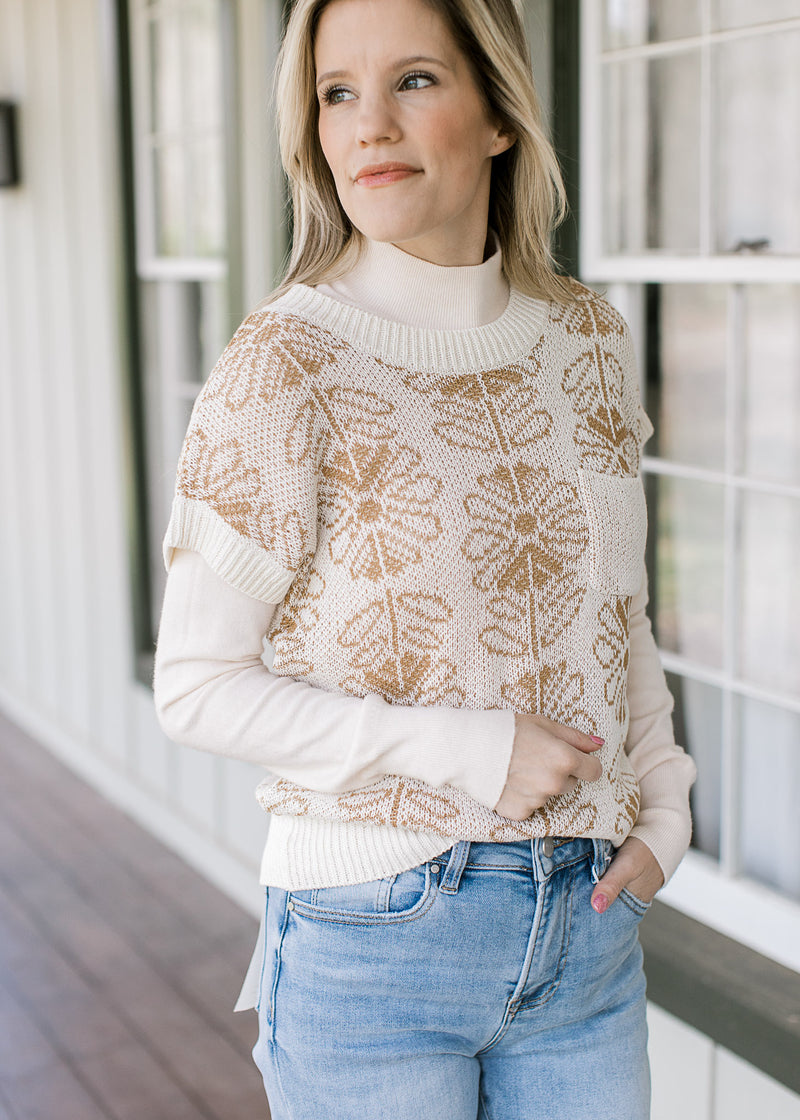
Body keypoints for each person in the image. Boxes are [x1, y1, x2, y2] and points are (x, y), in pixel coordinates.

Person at [154, 0, 696, 1115]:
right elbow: (194, 687)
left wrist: (668, 807)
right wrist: (459, 746)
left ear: (498, 113)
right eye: (335, 92)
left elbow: (616, 610)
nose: (367, 128)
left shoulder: (584, 339)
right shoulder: (284, 363)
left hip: (586, 937)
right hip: (375, 940)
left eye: (412, 81)